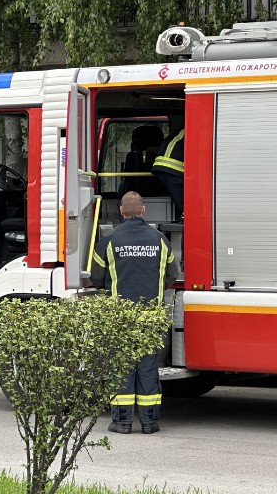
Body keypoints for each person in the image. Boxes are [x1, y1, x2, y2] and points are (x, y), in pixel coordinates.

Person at [90, 191, 180, 435]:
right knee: (148, 367)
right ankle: (150, 422)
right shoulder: (160, 240)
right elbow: (172, 274)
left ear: (121, 212)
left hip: (121, 316)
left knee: (122, 367)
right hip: (151, 316)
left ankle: (122, 422)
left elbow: (96, 278)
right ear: (143, 211)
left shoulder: (108, 242)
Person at [151, 128, 184, 214]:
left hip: (164, 167)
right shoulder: (190, 130)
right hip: (171, 168)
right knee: (184, 206)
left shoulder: (182, 131)